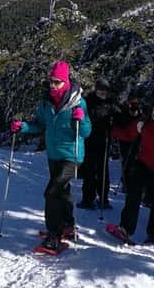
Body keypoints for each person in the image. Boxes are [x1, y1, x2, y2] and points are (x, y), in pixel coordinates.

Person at [10, 60, 92, 252]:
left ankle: (53, 235)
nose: (53, 86)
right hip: (53, 154)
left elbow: (86, 131)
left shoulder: (78, 103)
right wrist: (23, 127)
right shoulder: (46, 103)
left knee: (52, 192)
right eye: (51, 81)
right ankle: (67, 225)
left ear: (66, 82)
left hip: (72, 155)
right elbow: (39, 124)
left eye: (57, 82)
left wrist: (81, 119)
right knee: (62, 191)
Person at [112, 100, 154, 244]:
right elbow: (127, 134)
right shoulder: (143, 123)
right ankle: (125, 228)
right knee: (133, 193)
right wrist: (112, 130)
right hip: (143, 164)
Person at [78, 77, 116, 210]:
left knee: (103, 171)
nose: (102, 92)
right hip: (90, 139)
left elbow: (119, 117)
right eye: (100, 89)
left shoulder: (110, 103)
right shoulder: (89, 101)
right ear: (96, 89)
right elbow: (82, 114)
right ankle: (87, 199)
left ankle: (103, 199)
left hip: (104, 141)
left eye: (104, 89)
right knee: (89, 170)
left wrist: (113, 122)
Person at [111, 92, 143, 191]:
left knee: (135, 163)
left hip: (137, 142)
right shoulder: (122, 114)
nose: (133, 110)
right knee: (127, 163)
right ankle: (126, 184)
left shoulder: (140, 115)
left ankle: (134, 184)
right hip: (125, 143)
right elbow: (116, 128)